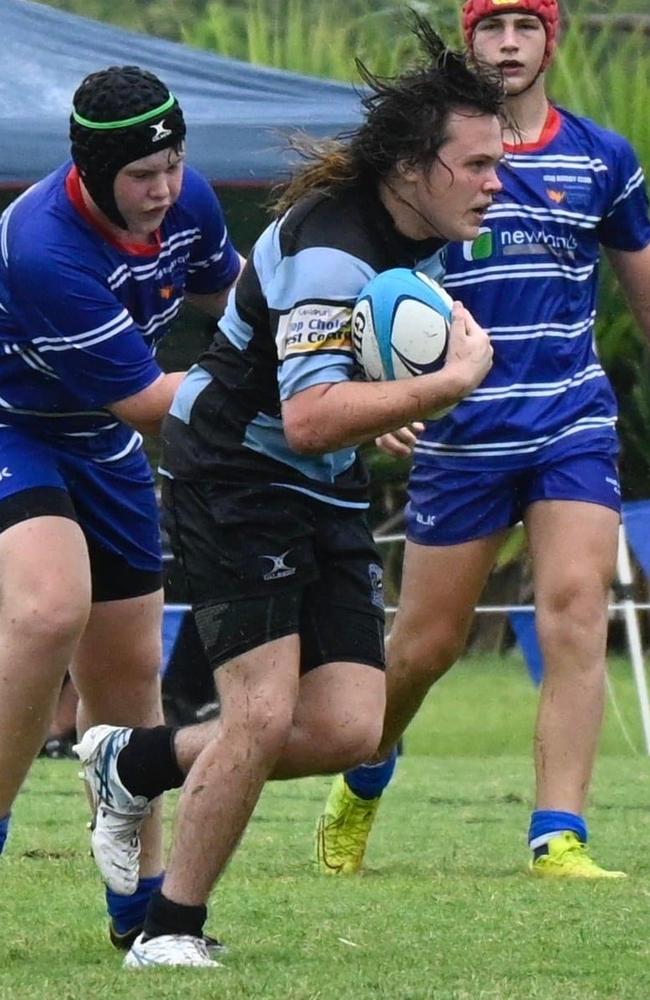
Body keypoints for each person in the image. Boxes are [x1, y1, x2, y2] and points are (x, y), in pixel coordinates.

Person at [74, 17, 503, 968]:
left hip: (316, 478)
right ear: (411, 165)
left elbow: (330, 394)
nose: (492, 181)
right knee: (261, 715)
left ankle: (131, 762)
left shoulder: (418, 232)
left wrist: (377, 401)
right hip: (235, 473)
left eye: (496, 162)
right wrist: (441, 386)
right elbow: (308, 417)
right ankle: (168, 931)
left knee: (351, 727)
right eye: (475, 163)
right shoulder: (330, 252)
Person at [315, 0, 650, 880]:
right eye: (492, 27)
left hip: (571, 422)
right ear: (469, 40)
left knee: (577, 611)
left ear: (554, 38)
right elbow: (366, 288)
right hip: (461, 438)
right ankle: (365, 772)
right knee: (427, 647)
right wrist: (385, 397)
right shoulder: (428, 159)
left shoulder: (605, 159)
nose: (508, 44)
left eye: (525, 26)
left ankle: (558, 837)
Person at [0, 65, 242, 944]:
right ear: (93, 171)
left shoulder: (190, 202)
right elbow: (150, 403)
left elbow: (242, 297)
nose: (164, 189)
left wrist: (339, 351)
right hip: (13, 428)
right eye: (143, 175)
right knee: (47, 608)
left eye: (175, 163)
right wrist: (297, 399)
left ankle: (137, 913)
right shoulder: (45, 247)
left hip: (101, 446)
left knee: (130, 676)